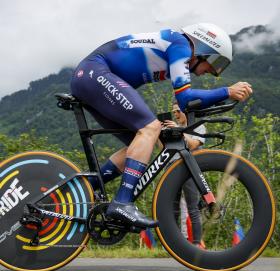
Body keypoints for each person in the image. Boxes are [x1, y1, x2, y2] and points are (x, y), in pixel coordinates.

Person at [70, 23, 253, 229]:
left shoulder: (177, 45)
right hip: (94, 72)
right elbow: (184, 99)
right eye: (212, 64)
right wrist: (226, 91)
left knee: (144, 143)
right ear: (203, 49)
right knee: (150, 128)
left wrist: (220, 99)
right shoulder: (181, 45)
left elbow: (189, 103)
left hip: (93, 77)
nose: (206, 72)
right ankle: (122, 202)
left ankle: (85, 188)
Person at [164, 102, 205, 246]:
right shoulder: (174, 127)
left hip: (189, 168)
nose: (175, 114)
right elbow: (163, 149)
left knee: (193, 208)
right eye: (173, 112)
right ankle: (175, 244)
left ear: (186, 112)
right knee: (172, 208)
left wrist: (179, 131)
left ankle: (196, 244)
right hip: (171, 167)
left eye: (177, 111)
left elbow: (193, 145)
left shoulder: (198, 126)